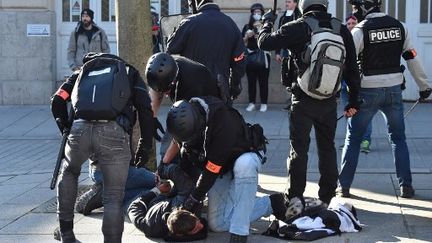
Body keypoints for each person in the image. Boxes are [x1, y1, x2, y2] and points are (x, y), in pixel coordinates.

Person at [258, 0, 361, 205]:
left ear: (304, 5)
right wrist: (354, 101)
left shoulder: (298, 26)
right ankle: (328, 197)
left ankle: (295, 196)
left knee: (299, 149)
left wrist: (267, 22)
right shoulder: (340, 28)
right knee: (327, 148)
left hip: (303, 99)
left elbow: (264, 43)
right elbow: (351, 68)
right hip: (329, 100)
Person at [51, 53, 154, 243]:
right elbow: (146, 110)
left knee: (69, 172)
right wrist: (145, 146)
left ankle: (66, 234)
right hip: (114, 133)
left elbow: (58, 100)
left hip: (79, 131)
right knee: (114, 196)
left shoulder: (82, 72)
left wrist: (66, 128)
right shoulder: (129, 72)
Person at [338, 0, 432, 198]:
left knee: (353, 139)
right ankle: (406, 186)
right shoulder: (400, 26)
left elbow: (346, 63)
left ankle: (344, 187)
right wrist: (424, 86)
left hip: (367, 92)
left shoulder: (360, 30)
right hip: (393, 91)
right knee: (398, 138)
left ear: (363, 8)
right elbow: (412, 56)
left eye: (356, 9)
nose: (354, 13)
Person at [165, 97, 287, 243]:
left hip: (245, 155)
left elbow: (211, 171)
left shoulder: (222, 121)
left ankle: (239, 231)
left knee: (244, 165)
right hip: (223, 168)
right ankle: (273, 203)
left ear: (199, 124)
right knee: (217, 224)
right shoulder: (184, 126)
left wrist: (194, 198)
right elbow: (189, 162)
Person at [146, 52, 220, 166]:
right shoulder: (164, 67)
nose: (166, 95)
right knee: (168, 150)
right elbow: (156, 91)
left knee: (172, 151)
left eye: (167, 90)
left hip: (209, 112)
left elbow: (180, 131)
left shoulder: (191, 85)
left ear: (174, 80)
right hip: (186, 105)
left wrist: (164, 163)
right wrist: (151, 118)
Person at [166, 0, 246, 105]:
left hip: (189, 90)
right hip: (219, 89)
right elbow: (239, 59)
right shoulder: (230, 24)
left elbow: (171, 49)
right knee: (220, 119)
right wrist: (234, 85)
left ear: (195, 4)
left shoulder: (189, 22)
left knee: (187, 120)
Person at [339, 15, 372, 153]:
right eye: (348, 23)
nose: (351, 25)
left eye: (354, 23)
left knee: (364, 113)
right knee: (349, 112)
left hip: (360, 84)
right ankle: (351, 140)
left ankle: (365, 141)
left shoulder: (363, 40)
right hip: (344, 84)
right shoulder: (341, 40)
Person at [243, 3, 271, 112]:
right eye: (255, 12)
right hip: (250, 57)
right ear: (251, 14)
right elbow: (242, 43)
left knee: (263, 82)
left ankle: (264, 103)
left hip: (263, 57)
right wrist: (246, 36)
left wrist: (259, 33)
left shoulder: (266, 27)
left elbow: (270, 40)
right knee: (251, 82)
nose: (257, 14)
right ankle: (252, 103)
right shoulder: (247, 27)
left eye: (259, 12)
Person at [276, 0, 301, 111]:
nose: (287, 4)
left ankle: (297, 99)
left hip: (298, 50)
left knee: (298, 74)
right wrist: (277, 52)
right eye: (286, 2)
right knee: (288, 74)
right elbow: (278, 34)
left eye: (289, 2)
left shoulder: (299, 15)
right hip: (286, 51)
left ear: (295, 3)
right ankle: (290, 99)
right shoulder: (283, 17)